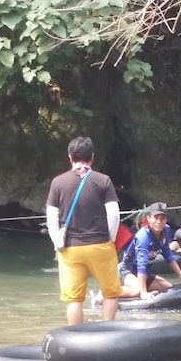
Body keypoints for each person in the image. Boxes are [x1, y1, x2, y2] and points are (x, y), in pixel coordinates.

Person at [45, 136, 122, 325]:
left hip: (70, 248)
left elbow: (51, 217)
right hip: (100, 245)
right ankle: (108, 333)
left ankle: (76, 339)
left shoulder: (58, 182)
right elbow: (113, 214)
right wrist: (110, 238)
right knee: (110, 293)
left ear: (70, 157)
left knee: (74, 299)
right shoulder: (103, 180)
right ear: (92, 157)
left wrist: (57, 241)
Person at [115, 202, 181, 299]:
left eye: (162, 218)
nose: (159, 222)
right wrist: (144, 292)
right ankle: (104, 294)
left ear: (166, 219)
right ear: (149, 218)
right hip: (126, 271)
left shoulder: (166, 230)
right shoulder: (143, 236)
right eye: (155, 218)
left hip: (144, 273)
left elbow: (168, 255)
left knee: (169, 288)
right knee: (138, 291)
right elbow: (142, 264)